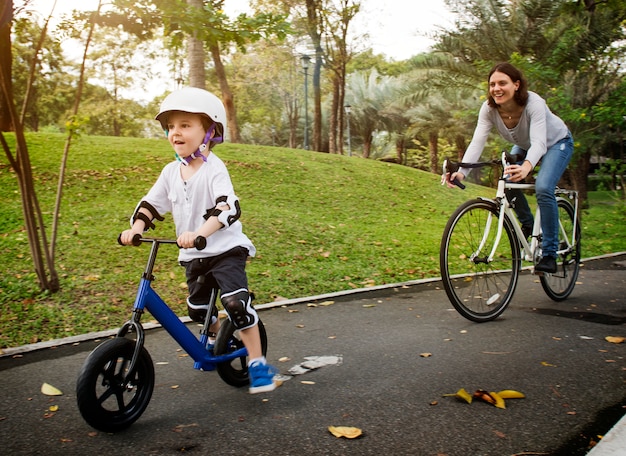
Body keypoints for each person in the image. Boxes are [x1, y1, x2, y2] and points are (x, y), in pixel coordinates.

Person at [119, 87, 278, 394]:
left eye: (185, 125)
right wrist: (137, 228)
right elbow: (152, 204)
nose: (175, 132)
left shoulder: (214, 169)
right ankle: (220, 336)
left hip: (225, 249)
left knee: (235, 304)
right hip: (194, 255)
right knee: (196, 309)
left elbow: (226, 206)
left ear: (209, 131)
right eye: (171, 126)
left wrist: (201, 233)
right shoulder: (170, 172)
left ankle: (258, 363)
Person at [443, 62, 574, 274]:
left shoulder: (534, 103)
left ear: (516, 85)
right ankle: (530, 227)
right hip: (525, 145)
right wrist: (462, 172)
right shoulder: (489, 109)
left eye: (502, 83)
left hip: (556, 143)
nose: (496, 88)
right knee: (508, 181)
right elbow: (477, 142)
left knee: (542, 187)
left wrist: (527, 167)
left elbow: (540, 142)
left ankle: (549, 253)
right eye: (492, 84)